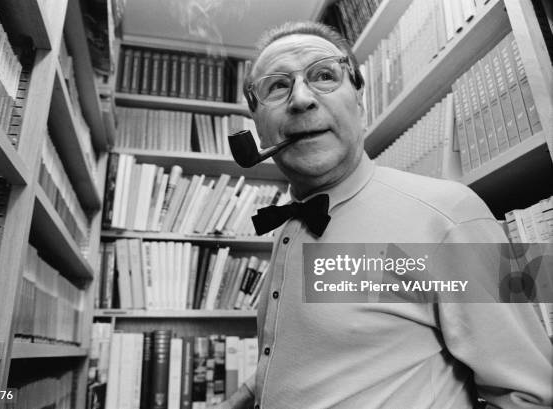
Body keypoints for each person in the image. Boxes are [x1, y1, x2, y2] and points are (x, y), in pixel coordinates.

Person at [217, 21, 553, 409]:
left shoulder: (451, 216)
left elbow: (531, 396)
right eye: (277, 86)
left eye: (324, 75)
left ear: (360, 99)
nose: (301, 99)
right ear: (257, 127)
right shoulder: (288, 223)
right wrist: (245, 396)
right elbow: (322, 353)